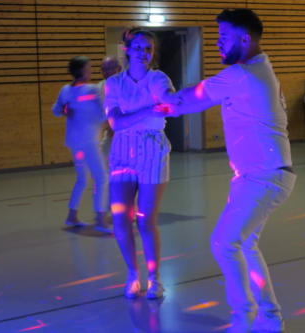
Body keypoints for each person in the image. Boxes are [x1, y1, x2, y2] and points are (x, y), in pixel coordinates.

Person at [157, 9, 295, 333]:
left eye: (223, 37)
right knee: (245, 244)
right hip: (259, 175)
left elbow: (188, 100)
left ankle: (242, 318)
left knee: (224, 243)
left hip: (264, 177)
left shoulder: (244, 74)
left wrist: (157, 99)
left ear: (245, 38)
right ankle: (270, 318)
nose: (218, 44)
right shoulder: (258, 69)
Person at [104, 28, 178, 299]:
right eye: (138, 47)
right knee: (121, 218)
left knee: (146, 220)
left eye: (148, 49)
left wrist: (172, 101)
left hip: (152, 149)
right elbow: (115, 123)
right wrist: (149, 110)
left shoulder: (159, 78)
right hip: (122, 150)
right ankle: (133, 273)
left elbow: (167, 97)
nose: (143, 53)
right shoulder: (114, 84)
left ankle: (155, 278)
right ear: (127, 49)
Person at [52, 56, 111, 233]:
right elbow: (102, 116)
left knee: (82, 179)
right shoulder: (92, 90)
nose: (91, 71)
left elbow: (56, 110)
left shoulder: (65, 90)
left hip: (74, 142)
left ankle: (72, 215)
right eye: (88, 68)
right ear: (81, 70)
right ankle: (100, 220)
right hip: (89, 142)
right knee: (101, 178)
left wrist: (65, 110)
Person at [98, 56, 123, 156]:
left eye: (109, 69)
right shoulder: (100, 87)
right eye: (103, 70)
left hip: (128, 136)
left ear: (119, 69)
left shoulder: (129, 85)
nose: (106, 72)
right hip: (109, 135)